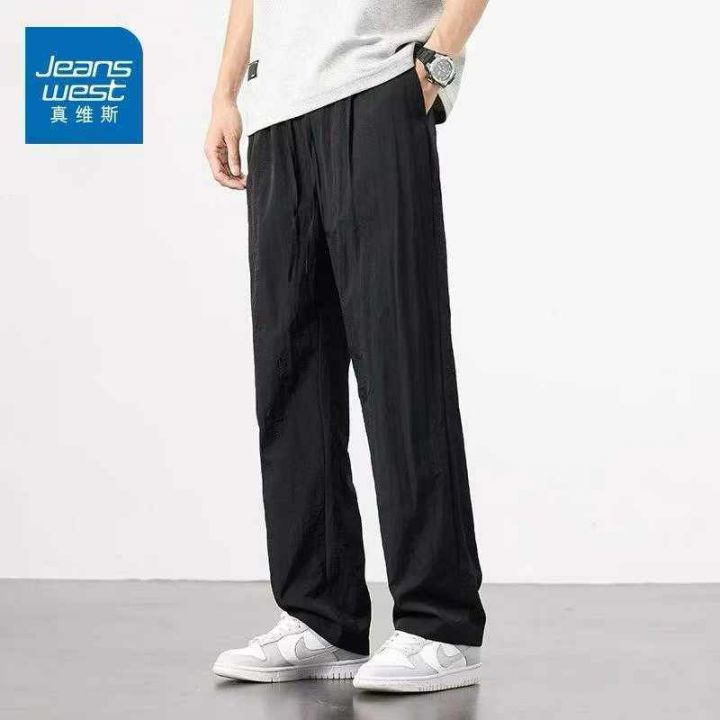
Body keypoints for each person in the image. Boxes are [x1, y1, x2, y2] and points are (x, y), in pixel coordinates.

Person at [205, 0, 489, 694]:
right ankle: (320, 615)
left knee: (402, 361)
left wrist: (438, 61)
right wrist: (225, 93)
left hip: (376, 83)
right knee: (290, 374)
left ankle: (441, 623)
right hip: (276, 110)